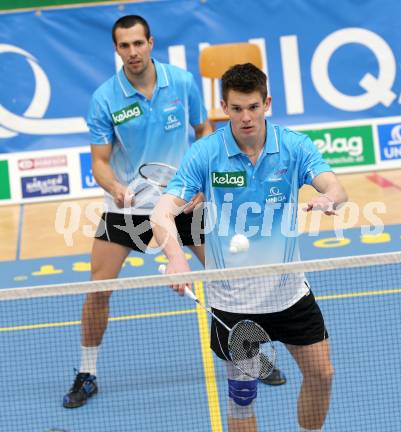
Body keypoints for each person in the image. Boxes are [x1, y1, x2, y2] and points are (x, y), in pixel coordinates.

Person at [63, 16, 283, 409]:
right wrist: (115, 187)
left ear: (150, 42)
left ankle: (250, 353)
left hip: (181, 201)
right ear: (116, 50)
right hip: (126, 208)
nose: (132, 52)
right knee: (98, 289)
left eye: (138, 43)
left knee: (228, 280)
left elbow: (203, 134)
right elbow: (98, 161)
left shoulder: (181, 83)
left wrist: (201, 183)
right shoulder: (104, 99)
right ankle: (87, 371)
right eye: (124, 46)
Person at [151, 63, 348, 431]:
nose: (245, 117)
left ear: (267, 103)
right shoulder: (205, 154)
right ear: (224, 106)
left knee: (323, 374)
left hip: (289, 294)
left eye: (253, 107)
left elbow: (335, 186)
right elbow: (162, 213)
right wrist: (176, 260)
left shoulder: (293, 146)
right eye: (237, 108)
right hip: (234, 305)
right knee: (242, 404)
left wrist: (329, 198)